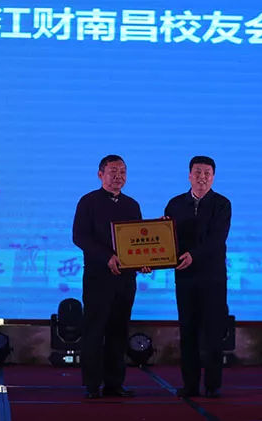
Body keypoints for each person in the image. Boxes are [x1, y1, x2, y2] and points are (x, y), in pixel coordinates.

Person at [72, 154, 146, 399]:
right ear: (100, 174)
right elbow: (80, 237)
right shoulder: (88, 202)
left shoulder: (132, 205)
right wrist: (107, 257)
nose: (118, 176)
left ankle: (115, 383)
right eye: (113, 171)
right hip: (98, 277)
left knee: (119, 330)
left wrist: (145, 261)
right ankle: (92, 385)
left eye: (122, 172)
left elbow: (139, 240)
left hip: (125, 279)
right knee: (95, 330)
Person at [164, 156, 231, 398]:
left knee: (212, 333)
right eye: (198, 172)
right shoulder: (175, 204)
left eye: (207, 173)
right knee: (188, 332)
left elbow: (217, 239)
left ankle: (213, 385)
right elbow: (166, 239)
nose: (202, 177)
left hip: (212, 278)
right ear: (189, 175)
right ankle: (190, 385)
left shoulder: (222, 204)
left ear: (213, 177)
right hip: (185, 277)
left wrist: (194, 255)